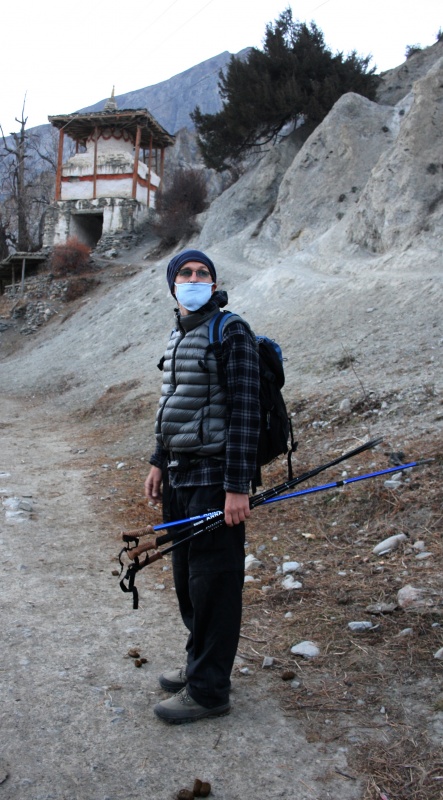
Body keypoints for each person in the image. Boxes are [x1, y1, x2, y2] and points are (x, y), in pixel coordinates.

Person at [145, 248, 260, 724]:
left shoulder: (230, 331)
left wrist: (237, 486)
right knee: (188, 582)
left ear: (213, 283)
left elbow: (246, 411)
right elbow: (173, 402)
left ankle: (210, 691)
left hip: (214, 479)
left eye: (203, 273)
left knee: (214, 584)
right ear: (173, 284)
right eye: (186, 273)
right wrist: (158, 462)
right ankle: (200, 665)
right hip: (179, 475)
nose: (194, 279)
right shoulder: (180, 333)